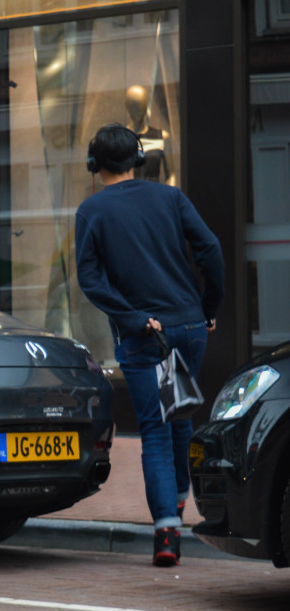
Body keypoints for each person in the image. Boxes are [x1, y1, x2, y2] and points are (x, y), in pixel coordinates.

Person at [75, 123, 225, 568]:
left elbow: (90, 278)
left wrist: (134, 319)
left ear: (93, 164)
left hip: (145, 336)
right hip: (189, 326)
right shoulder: (170, 197)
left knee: (156, 431)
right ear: (137, 159)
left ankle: (166, 533)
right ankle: (178, 508)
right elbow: (211, 249)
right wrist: (208, 308)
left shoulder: (92, 211)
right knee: (179, 419)